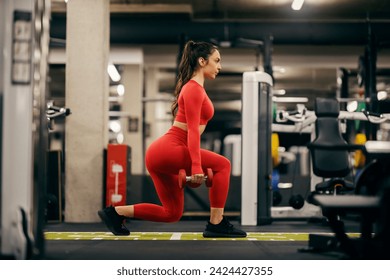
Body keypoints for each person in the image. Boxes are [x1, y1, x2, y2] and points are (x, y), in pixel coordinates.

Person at [98, 40, 247, 238]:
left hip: (160, 154)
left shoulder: (193, 88)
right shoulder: (193, 88)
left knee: (172, 213)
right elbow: (192, 131)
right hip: (170, 149)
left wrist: (193, 166)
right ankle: (216, 222)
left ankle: (115, 212)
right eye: (217, 60)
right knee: (223, 165)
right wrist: (195, 167)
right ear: (202, 61)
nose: (220, 66)